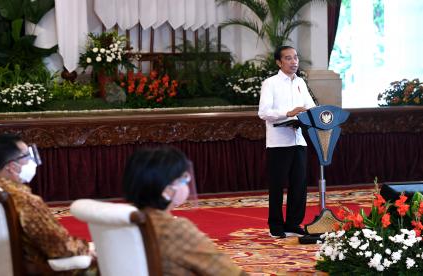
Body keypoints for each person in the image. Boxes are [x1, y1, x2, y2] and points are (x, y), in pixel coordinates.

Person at [0, 133, 97, 275]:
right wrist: (87, 250)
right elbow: (60, 247)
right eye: (26, 157)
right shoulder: (25, 200)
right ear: (12, 167)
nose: (32, 162)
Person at [122, 146, 247, 276]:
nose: (186, 184)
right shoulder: (174, 229)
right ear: (166, 191)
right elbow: (228, 272)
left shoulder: (118, 219)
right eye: (182, 179)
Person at [258, 46, 316, 239]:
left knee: (299, 185)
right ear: (279, 62)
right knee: (277, 185)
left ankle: (293, 223)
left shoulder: (300, 82)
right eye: (288, 58)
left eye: (296, 58)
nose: (294, 62)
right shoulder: (270, 83)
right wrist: (288, 113)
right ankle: (275, 225)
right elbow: (264, 112)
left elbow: (310, 107)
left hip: (299, 139)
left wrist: (310, 115)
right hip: (278, 142)